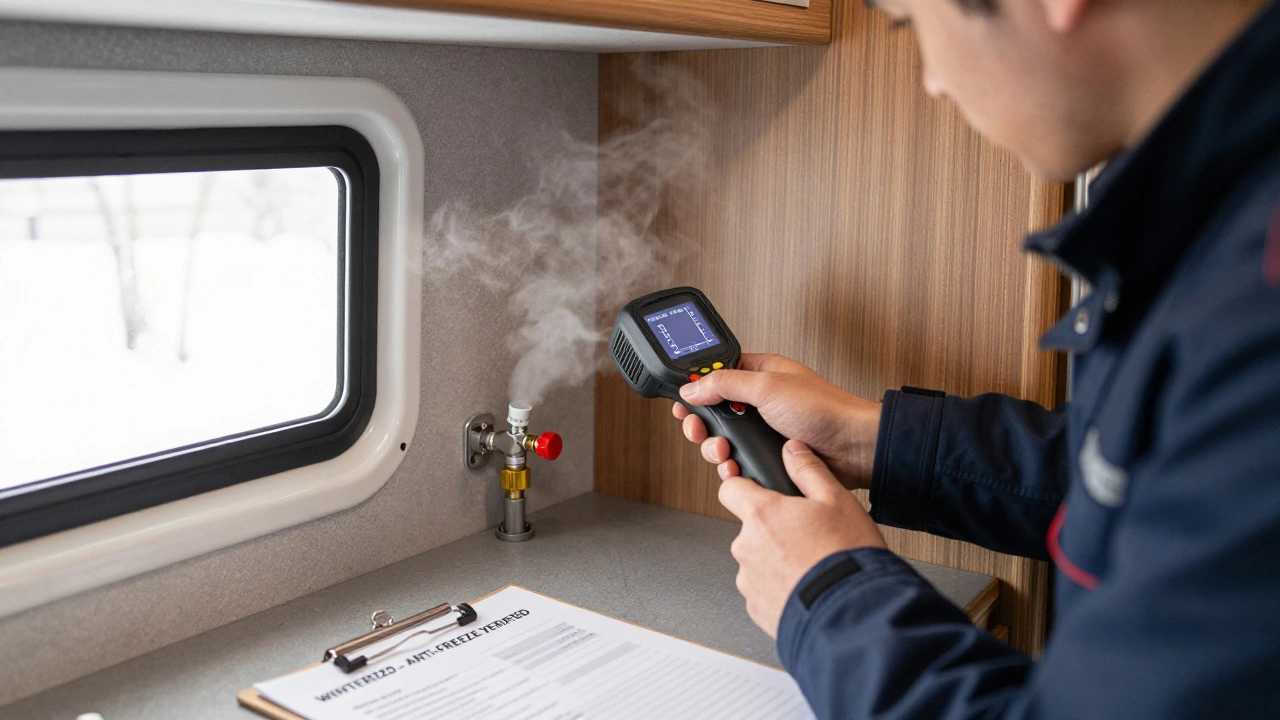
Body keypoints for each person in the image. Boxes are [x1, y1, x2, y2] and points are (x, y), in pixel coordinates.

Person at [672, 0, 1280, 717]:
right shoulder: (1226, 224)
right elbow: (1159, 482)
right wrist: (877, 440)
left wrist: (828, 593)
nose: (932, 80)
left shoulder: (1257, 297)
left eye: (911, 23)